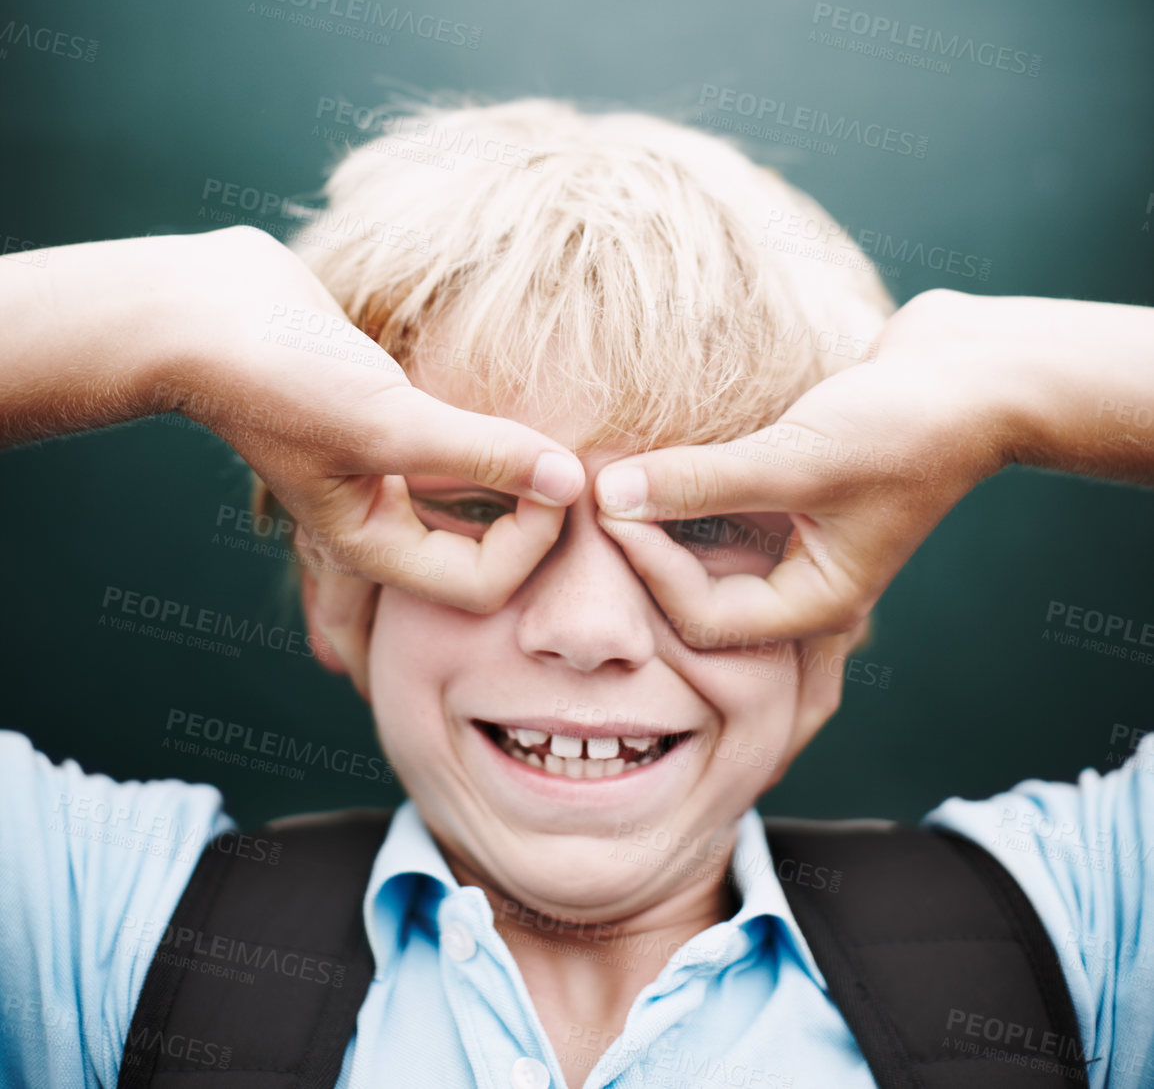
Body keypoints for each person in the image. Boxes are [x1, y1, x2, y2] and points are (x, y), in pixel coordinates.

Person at [1, 98, 1151, 1089]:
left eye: (706, 527)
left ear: (838, 613)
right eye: (479, 507)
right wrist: (171, 314)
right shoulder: (104, 944)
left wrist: (995, 379)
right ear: (335, 590)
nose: (589, 631)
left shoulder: (1075, 938)